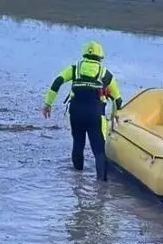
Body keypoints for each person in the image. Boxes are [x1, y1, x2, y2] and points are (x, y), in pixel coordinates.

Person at [42, 41, 122, 181]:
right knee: (98, 150)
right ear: (100, 58)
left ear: (84, 55)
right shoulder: (105, 74)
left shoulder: (75, 69)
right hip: (95, 114)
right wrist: (115, 115)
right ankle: (101, 188)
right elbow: (118, 99)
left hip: (76, 112)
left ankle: (77, 181)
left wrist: (48, 103)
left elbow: (57, 81)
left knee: (78, 144)